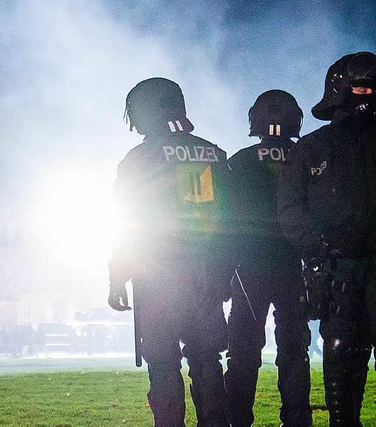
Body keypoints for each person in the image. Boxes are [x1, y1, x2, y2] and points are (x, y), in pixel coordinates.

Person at [278, 51, 376, 426]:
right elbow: (290, 208)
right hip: (346, 261)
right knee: (345, 348)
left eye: (372, 87)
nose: (366, 94)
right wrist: (319, 245)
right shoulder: (315, 146)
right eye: (360, 86)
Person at [107, 77, 231, 427]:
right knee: (208, 362)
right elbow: (234, 220)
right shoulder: (214, 153)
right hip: (207, 276)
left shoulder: (139, 159)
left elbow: (127, 225)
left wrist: (118, 277)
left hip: (157, 279)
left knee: (163, 365)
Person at [224, 89, 312, 427]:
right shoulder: (306, 154)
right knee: (294, 351)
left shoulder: (240, 161)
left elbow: (224, 219)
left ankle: (238, 420)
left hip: (249, 268)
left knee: (243, 353)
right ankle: (297, 419)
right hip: (296, 266)